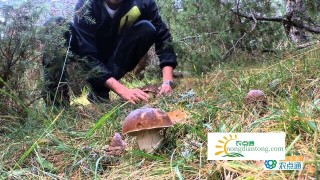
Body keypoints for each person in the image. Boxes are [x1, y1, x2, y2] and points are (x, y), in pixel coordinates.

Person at [42, 0, 177, 107]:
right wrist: (123, 90)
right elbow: (87, 54)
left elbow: (163, 38)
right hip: (88, 57)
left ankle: (99, 90)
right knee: (55, 26)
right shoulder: (85, 5)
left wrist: (167, 82)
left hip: (117, 55)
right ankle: (57, 104)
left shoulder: (143, 3)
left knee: (147, 29)